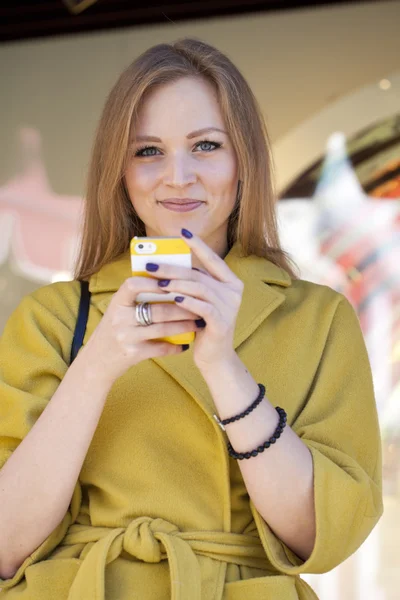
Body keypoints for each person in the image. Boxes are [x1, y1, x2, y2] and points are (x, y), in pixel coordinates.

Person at [0, 38, 383, 600]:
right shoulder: (51, 318)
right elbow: (6, 541)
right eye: (148, 151)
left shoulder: (318, 318)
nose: (177, 176)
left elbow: (323, 535)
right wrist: (98, 364)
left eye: (205, 145)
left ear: (243, 159)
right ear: (120, 171)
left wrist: (223, 365)